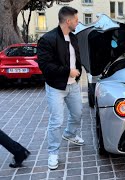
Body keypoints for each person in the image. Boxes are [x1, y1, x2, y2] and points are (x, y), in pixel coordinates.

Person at [37, 6, 84, 170]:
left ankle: (69, 134)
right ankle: (53, 153)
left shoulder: (74, 37)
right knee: (56, 121)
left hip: (73, 86)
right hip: (55, 87)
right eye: (77, 20)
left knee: (78, 113)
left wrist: (77, 73)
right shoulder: (47, 39)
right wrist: (68, 71)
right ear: (68, 21)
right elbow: (45, 66)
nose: (78, 23)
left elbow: (76, 59)